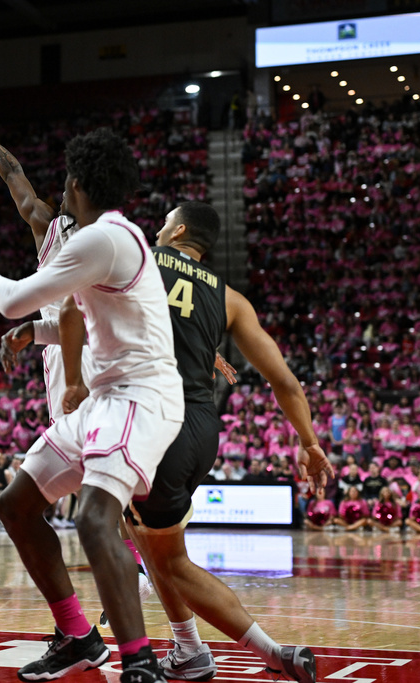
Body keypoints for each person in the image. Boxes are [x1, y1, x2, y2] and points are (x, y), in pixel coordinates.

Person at [0, 128, 185, 683]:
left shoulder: (100, 239)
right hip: (104, 400)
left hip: (140, 399)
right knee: (14, 506)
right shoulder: (108, 238)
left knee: (98, 521)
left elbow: (7, 298)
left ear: (75, 183)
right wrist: (40, 333)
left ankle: (140, 662)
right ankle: (78, 636)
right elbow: (82, 318)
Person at [119, 202, 332, 682]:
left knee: (167, 561)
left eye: (164, 222)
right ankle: (187, 648)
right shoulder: (230, 299)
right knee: (146, 541)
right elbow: (285, 381)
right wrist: (310, 442)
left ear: (178, 231)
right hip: (201, 429)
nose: (157, 228)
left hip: (156, 424)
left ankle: (272, 651)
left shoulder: (141, 256)